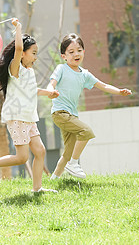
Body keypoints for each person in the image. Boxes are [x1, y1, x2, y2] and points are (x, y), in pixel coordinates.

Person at [0, 18, 59, 193]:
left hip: (28, 117)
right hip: (17, 116)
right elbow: (19, 47)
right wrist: (19, 28)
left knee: (40, 151)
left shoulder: (28, 72)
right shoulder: (15, 69)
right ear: (22, 54)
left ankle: (37, 188)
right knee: (22, 157)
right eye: (34, 53)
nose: (36, 57)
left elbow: (31, 90)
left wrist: (48, 93)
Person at [47, 33, 132, 179]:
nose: (76, 54)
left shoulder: (85, 74)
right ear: (64, 56)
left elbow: (103, 85)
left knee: (68, 152)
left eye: (79, 50)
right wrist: (50, 90)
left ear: (84, 52)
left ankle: (55, 178)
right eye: (71, 52)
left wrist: (119, 91)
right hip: (60, 113)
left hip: (71, 115)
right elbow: (52, 82)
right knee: (86, 131)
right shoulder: (62, 69)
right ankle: (74, 164)